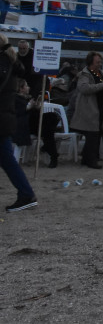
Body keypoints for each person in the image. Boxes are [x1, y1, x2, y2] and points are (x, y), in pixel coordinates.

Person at [1, 34, 37, 211]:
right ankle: (25, 193)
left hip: (1, 117)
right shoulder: (10, 63)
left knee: (7, 159)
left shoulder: (2, 64)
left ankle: (26, 194)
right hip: (5, 117)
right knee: (7, 158)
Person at [71, 52, 103, 169]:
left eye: (100, 62)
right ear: (91, 62)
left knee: (97, 134)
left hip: (102, 106)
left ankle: (87, 159)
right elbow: (84, 88)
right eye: (97, 62)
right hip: (89, 108)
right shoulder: (84, 74)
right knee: (92, 134)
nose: (100, 64)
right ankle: (91, 160)